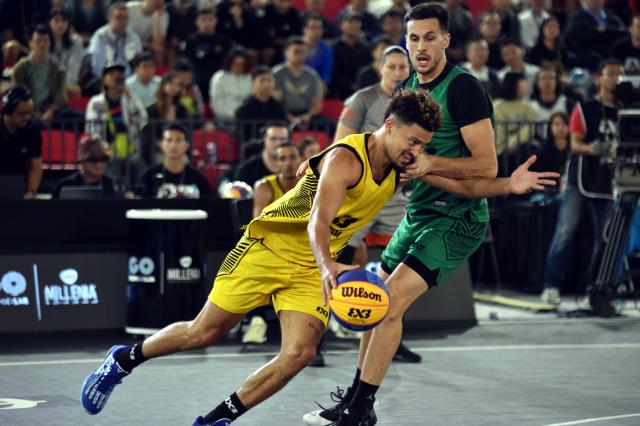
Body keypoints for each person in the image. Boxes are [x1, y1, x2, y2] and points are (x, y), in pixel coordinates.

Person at [80, 87, 555, 425]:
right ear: (388, 126)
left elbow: (462, 183)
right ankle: (123, 360)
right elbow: (318, 221)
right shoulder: (345, 159)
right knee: (205, 332)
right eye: (411, 140)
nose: (417, 151)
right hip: (269, 248)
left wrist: (507, 186)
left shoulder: (403, 164)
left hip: (314, 266)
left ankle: (215, 420)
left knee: (301, 352)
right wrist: (330, 264)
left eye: (423, 146)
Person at [301, 4, 513, 425]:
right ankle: (355, 396)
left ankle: (361, 409)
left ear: (446, 40)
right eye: (413, 38)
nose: (421, 46)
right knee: (373, 298)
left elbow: (487, 166)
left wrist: (430, 164)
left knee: (390, 301)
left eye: (430, 37)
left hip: (458, 219)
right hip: (418, 212)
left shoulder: (464, 89)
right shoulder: (410, 87)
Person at [331, 44, 421, 364]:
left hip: (396, 196)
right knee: (338, 255)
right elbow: (339, 145)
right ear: (380, 68)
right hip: (362, 194)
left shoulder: (413, 101)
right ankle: (315, 338)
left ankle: (392, 337)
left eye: (403, 67)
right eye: (392, 66)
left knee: (399, 265)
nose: (398, 72)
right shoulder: (361, 100)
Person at [540, 59, 624, 306]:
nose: (615, 79)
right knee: (565, 233)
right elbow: (574, 144)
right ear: (600, 78)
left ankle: (596, 290)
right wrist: (593, 149)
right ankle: (551, 285)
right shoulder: (585, 108)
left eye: (619, 75)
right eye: (610, 74)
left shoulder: (624, 111)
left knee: (605, 239)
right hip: (581, 178)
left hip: (608, 181)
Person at [138, 123, 212, 199]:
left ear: (186, 145)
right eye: (169, 140)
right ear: (161, 144)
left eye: (178, 140)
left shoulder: (199, 180)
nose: (173, 145)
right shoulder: (148, 179)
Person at [11, 25, 68, 124]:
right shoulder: (20, 69)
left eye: (46, 41)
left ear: (50, 43)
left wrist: (50, 111)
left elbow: (61, 97)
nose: (42, 45)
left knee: (77, 116)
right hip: (26, 112)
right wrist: (34, 113)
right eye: (38, 41)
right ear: (30, 44)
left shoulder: (58, 68)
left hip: (51, 112)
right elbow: (18, 96)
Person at [0, 86, 42, 198]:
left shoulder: (31, 130)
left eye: (29, 113)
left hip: (18, 186)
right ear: (7, 110)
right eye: (21, 113)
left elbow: (36, 166)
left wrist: (31, 191)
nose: (26, 117)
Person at [88, 2, 143, 77]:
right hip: (107, 79)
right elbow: (97, 66)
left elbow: (139, 63)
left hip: (129, 81)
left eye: (125, 18)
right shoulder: (100, 37)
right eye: (119, 18)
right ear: (109, 18)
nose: (123, 22)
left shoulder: (134, 37)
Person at [234, 65, 288, 142]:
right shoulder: (243, 110)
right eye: (262, 81)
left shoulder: (279, 107)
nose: (266, 85)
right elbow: (240, 137)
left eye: (269, 81)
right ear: (253, 83)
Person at [233, 121, 289, 188]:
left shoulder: (293, 169)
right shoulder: (247, 170)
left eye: (283, 139)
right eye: (273, 139)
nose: (278, 143)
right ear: (264, 140)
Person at [209, 47, 252, 125]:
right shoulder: (219, 78)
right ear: (230, 63)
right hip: (224, 118)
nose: (238, 67)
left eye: (241, 64)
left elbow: (251, 100)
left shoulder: (249, 78)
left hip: (245, 119)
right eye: (236, 64)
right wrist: (232, 114)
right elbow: (216, 103)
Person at [48, 10, 86, 98]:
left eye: (64, 21)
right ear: (49, 23)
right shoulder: (44, 41)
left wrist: (69, 85)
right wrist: (65, 87)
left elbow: (74, 66)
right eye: (57, 21)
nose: (61, 24)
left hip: (71, 82)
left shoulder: (76, 41)